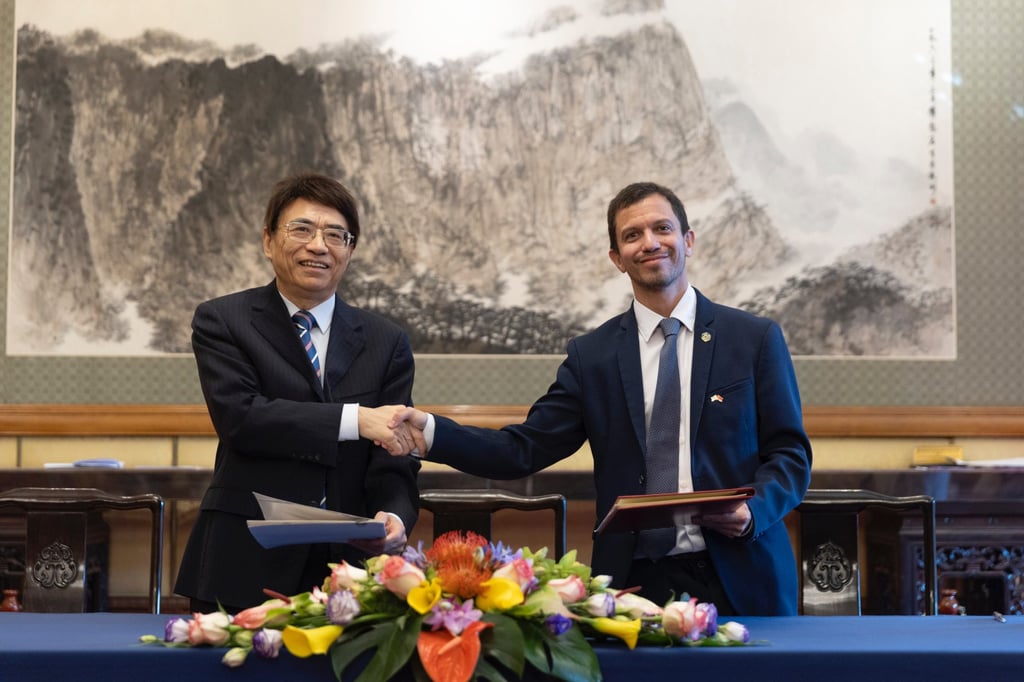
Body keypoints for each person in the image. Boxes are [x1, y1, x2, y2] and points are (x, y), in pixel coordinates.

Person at [380, 181, 811, 615]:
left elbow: (790, 453)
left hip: (743, 572)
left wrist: (753, 512)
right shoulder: (592, 356)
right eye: (632, 235)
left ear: (688, 240)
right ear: (617, 259)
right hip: (634, 586)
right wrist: (432, 433)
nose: (650, 243)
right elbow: (522, 449)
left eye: (663, 228)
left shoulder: (754, 339)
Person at [175, 172, 421, 613]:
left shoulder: (387, 341)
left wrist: (395, 514)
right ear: (268, 241)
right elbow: (242, 420)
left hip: (351, 568)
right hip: (245, 558)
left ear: (350, 250)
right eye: (302, 229)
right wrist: (355, 419)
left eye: (335, 235)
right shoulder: (223, 321)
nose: (318, 245)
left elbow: (394, 452)